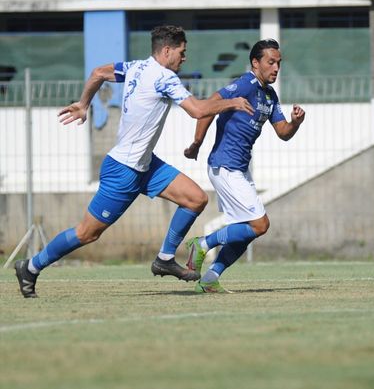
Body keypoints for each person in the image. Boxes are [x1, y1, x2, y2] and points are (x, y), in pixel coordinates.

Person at [14, 25, 255, 298]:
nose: (184, 58)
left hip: (146, 165)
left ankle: (164, 258)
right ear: (167, 50)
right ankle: (31, 267)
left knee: (195, 199)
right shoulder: (165, 77)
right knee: (87, 233)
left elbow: (98, 73)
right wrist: (231, 102)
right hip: (123, 171)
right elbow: (197, 110)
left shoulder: (136, 67)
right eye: (182, 52)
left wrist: (84, 104)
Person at [183, 38, 305, 293]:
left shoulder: (269, 95)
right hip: (225, 166)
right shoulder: (244, 84)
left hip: (239, 169)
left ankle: (210, 278)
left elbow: (282, 132)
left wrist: (295, 123)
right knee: (260, 224)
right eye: (271, 62)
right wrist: (196, 143)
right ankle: (203, 244)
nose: (276, 68)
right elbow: (208, 107)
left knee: (247, 231)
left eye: (279, 63)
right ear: (255, 62)